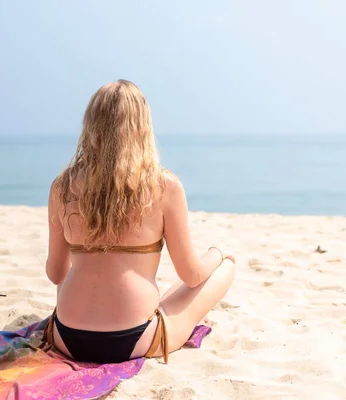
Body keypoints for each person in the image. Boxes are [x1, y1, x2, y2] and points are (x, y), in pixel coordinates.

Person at [43, 80, 236, 364]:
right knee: (225, 268)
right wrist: (218, 253)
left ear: (91, 125)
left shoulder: (62, 186)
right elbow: (192, 275)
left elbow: (56, 274)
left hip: (66, 338)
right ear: (142, 126)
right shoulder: (164, 186)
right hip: (135, 339)